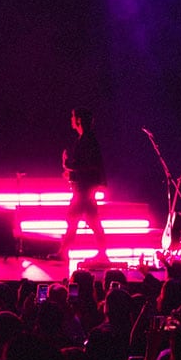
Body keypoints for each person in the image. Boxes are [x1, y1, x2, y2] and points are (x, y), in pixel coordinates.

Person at [56, 107, 109, 262]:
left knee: (78, 219)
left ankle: (65, 252)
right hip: (84, 187)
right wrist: (70, 172)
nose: (71, 120)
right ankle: (99, 253)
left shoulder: (87, 140)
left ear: (79, 120)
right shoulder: (85, 139)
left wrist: (68, 165)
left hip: (85, 189)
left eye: (73, 117)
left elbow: (90, 165)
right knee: (87, 220)